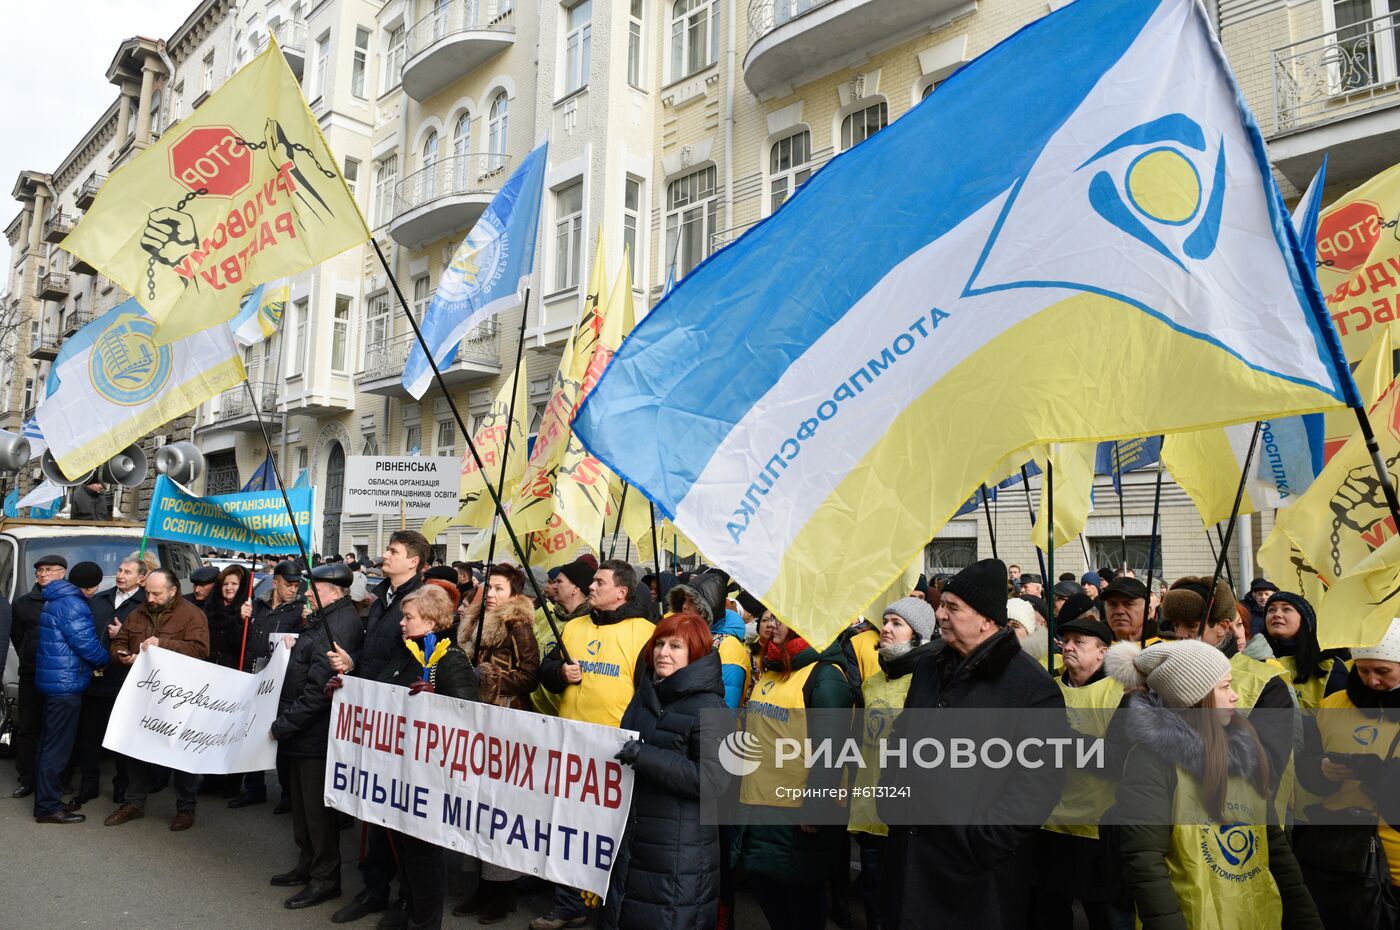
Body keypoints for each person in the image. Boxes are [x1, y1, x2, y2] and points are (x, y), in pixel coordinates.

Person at [880, 559, 1068, 930]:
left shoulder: (1032, 688)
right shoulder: (929, 667)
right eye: (942, 604)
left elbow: (1039, 784)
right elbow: (902, 738)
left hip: (973, 877)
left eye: (953, 607)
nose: (940, 614)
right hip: (910, 855)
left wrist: (982, 845)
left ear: (987, 619)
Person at [1106, 639, 1323, 930]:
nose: (1235, 697)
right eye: (1224, 687)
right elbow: (1145, 864)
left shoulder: (1245, 751)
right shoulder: (1150, 761)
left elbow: (1276, 849)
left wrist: (1308, 921)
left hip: (1256, 916)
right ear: (1194, 697)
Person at [534, 560, 655, 930]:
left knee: (612, 833)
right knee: (568, 828)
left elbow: (652, 695)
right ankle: (568, 903)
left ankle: (608, 906)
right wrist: (559, 672)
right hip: (571, 745)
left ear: (622, 591)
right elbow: (546, 673)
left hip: (617, 752)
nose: (591, 587)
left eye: (599, 582)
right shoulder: (573, 627)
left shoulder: (646, 633)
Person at [729, 608, 859, 930]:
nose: (770, 624)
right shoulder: (773, 668)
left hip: (796, 813)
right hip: (760, 804)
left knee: (800, 896)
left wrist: (816, 807)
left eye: (780, 618)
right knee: (768, 888)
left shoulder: (825, 676)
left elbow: (832, 750)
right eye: (769, 617)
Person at [328, 530, 430, 927]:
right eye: (387, 550)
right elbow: (378, 653)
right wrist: (354, 667)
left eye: (393, 552)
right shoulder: (383, 596)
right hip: (371, 715)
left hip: (398, 718)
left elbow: (417, 665)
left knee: (398, 813)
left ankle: (406, 898)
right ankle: (374, 889)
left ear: (415, 562)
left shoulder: (420, 601)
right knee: (372, 807)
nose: (385, 556)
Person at [604, 613, 729, 930]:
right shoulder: (645, 695)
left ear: (696, 653)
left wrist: (645, 756)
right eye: (659, 644)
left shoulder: (711, 708)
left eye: (676, 646)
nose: (663, 652)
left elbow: (713, 781)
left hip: (679, 849)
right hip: (636, 835)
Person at [367, 584, 479, 930]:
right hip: (401, 769)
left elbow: (468, 717)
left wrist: (438, 700)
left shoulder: (451, 661)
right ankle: (409, 908)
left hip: (430, 779)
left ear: (430, 623)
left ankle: (426, 922)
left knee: (423, 855)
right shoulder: (407, 654)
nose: (402, 623)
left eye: (409, 617)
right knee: (404, 848)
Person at [270, 562, 366, 910]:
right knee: (301, 805)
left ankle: (325, 879)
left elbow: (319, 691)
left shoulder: (336, 625)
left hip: (316, 736)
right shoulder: (322, 618)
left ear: (336, 592)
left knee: (317, 812)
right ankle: (307, 864)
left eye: (316, 588)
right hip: (302, 734)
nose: (308, 592)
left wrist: (284, 724)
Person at [1294, 617, 1400, 929]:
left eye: (1383, 672)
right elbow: (1306, 764)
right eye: (1363, 670)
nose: (1372, 681)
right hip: (1339, 856)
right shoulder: (1332, 704)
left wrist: (1383, 776)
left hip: (1394, 862)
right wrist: (1321, 770)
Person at [1031, 603, 1125, 930]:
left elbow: (1117, 760)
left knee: (1102, 916)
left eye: (1079, 643)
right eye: (1065, 640)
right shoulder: (1046, 689)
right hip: (1048, 824)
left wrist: (1064, 740)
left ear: (1102, 653)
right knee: (1050, 913)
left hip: (1096, 827)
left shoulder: (1120, 693)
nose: (1067, 647)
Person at [848, 598, 938, 930]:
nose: (886, 628)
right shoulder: (873, 681)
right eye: (886, 621)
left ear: (919, 635)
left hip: (907, 816)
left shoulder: (929, 680)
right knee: (874, 898)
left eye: (897, 623)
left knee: (905, 903)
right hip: (870, 810)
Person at [103, 569, 210, 830]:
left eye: (155, 593)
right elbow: (120, 641)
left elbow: (200, 650)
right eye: (148, 592)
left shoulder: (192, 614)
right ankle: (134, 802)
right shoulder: (138, 612)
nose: (149, 597)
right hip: (143, 694)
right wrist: (122, 654)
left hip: (179, 696)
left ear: (172, 591)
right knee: (137, 748)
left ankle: (186, 808)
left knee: (181, 753)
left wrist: (162, 644)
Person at [32, 561, 108, 824]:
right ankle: (48, 806)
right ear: (91, 586)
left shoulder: (55, 598)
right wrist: (104, 659)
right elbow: (85, 644)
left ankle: (44, 799)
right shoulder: (74, 604)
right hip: (66, 685)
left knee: (48, 743)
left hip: (53, 681)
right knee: (57, 748)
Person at [229, 559, 306, 810]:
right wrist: (242, 619)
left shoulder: (299, 611)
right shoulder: (258, 605)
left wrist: (306, 624)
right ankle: (254, 788)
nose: (293, 589)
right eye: (288, 584)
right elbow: (241, 638)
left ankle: (287, 796)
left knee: (280, 738)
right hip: (253, 677)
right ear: (275, 583)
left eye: (297, 585)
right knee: (251, 734)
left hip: (280, 683)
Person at [77, 555, 148, 807]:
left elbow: (154, 641)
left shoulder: (146, 605)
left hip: (126, 682)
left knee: (122, 739)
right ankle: (88, 785)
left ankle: (122, 787)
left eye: (128, 572)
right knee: (90, 738)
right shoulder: (99, 599)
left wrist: (124, 635)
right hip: (95, 680)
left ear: (141, 578)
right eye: (119, 570)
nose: (121, 575)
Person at [9, 554, 66, 799]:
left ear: (62, 573)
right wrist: (30, 655)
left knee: (57, 730)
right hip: (32, 672)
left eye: (49, 570)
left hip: (62, 676)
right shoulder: (24, 603)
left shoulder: (71, 600)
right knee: (29, 727)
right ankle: (28, 779)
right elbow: (17, 636)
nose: (43, 574)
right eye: (40, 570)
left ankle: (57, 780)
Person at [1260, 592, 1349, 709]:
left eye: (1286, 609)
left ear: (1305, 620)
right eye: (1271, 610)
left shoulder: (1329, 666)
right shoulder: (1253, 660)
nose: (1277, 614)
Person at [531, 559, 596, 717]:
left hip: (562, 716)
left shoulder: (590, 624)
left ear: (575, 588)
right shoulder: (549, 615)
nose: (553, 586)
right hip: (533, 710)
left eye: (559, 581)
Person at [205, 565, 250, 669]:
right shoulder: (210, 608)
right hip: (207, 669)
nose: (229, 587)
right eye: (225, 584)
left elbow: (237, 645)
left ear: (242, 587)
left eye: (234, 584)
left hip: (232, 671)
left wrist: (240, 620)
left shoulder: (248, 611)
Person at [1101, 575, 1154, 643]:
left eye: (1128, 604)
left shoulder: (1166, 647)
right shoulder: (1092, 645)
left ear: (1148, 612)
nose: (1119, 611)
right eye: (1112, 604)